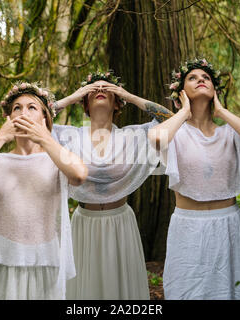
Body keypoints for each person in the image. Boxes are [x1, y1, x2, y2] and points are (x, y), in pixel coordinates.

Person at [148, 58, 240, 300]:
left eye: (206, 78)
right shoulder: (174, 132)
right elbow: (156, 139)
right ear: (181, 93)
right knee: (189, 292)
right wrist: (184, 111)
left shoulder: (229, 133)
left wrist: (221, 112)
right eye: (193, 78)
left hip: (229, 226)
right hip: (188, 228)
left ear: (215, 91)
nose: (200, 80)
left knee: (234, 291)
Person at [0, 82, 88, 300]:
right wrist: (0, 137)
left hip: (47, 260)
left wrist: (45, 138)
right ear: (8, 118)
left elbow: (79, 174)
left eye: (32, 107)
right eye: (16, 108)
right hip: (4, 260)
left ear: (44, 119)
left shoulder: (57, 160)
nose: (23, 112)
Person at [52, 71, 173, 299]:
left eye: (107, 89)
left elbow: (170, 119)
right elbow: (34, 119)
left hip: (120, 222)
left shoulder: (133, 136)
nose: (99, 90)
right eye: (93, 89)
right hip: (83, 224)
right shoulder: (68, 136)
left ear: (117, 103)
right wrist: (71, 97)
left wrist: (129, 95)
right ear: (85, 103)